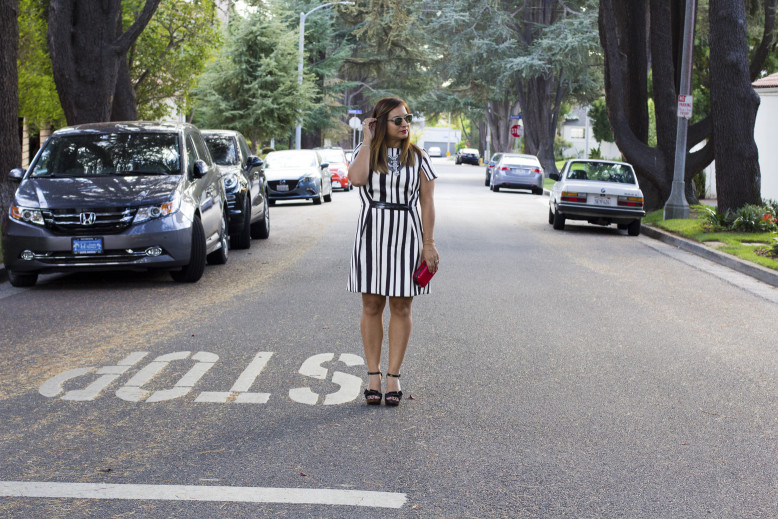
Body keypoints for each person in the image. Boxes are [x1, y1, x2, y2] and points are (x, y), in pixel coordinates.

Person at [347, 97, 439, 406]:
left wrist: (429, 243)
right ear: (379, 123)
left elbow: (427, 202)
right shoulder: (368, 154)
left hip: (407, 234)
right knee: (372, 305)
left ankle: (393, 376)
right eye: (397, 120)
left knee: (401, 307)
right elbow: (357, 179)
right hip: (372, 232)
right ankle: (373, 375)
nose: (404, 124)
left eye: (407, 119)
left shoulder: (419, 157)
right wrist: (366, 140)